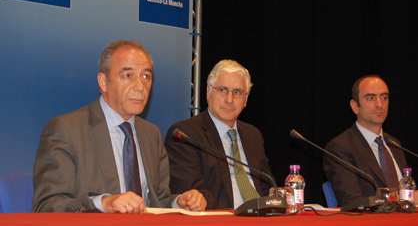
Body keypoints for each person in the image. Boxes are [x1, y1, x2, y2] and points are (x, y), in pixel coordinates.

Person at [32, 40, 206, 213]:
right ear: (103, 82)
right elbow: (47, 206)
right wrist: (103, 203)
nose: (140, 86)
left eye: (146, 76)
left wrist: (179, 203)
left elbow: (156, 202)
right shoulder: (66, 130)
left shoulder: (151, 134)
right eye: (128, 76)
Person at [164, 59, 272, 209]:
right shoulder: (185, 135)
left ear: (246, 100)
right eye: (222, 90)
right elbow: (192, 193)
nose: (229, 99)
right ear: (208, 92)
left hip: (260, 219)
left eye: (237, 92)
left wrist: (275, 200)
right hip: (219, 222)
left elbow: (267, 186)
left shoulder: (253, 135)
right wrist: (239, 214)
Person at [323, 75, 418, 207]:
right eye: (370, 98)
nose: (379, 104)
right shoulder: (340, 147)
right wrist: (403, 199)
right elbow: (351, 202)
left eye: (384, 98)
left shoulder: (394, 144)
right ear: (355, 106)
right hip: (371, 225)